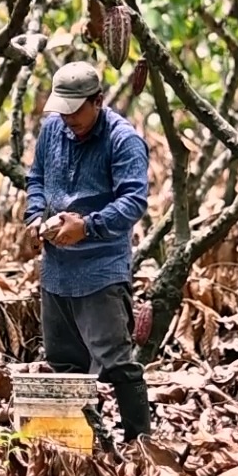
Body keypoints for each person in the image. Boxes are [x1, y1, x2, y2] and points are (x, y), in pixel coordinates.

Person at [25, 59, 152, 442]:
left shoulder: (122, 140)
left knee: (116, 362)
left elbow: (134, 200)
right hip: (57, 269)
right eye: (61, 110)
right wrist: (35, 215)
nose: (67, 119)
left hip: (101, 268)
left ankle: (139, 442)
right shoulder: (52, 130)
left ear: (97, 101)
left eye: (75, 110)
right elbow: (37, 179)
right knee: (64, 362)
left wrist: (89, 226)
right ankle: (85, 443)